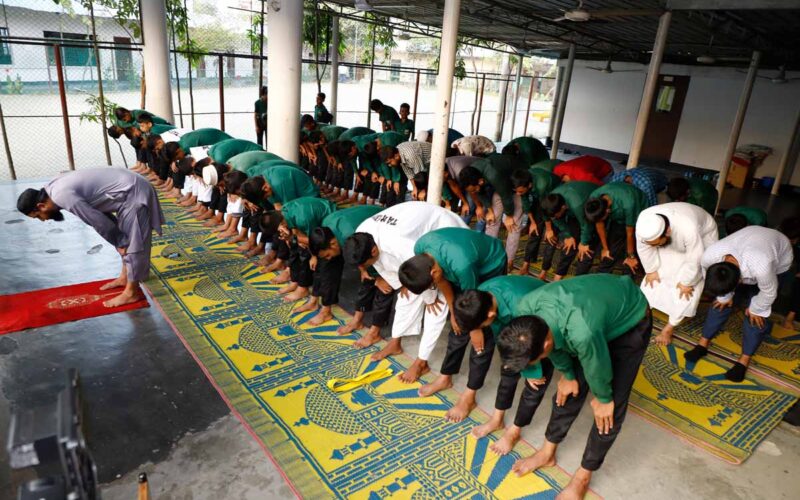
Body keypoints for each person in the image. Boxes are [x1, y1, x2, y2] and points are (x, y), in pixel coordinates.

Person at [497, 274, 651, 499]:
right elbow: (555, 347)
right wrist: (568, 374)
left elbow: (596, 364)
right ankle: (547, 453)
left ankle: (583, 476)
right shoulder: (525, 311)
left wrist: (604, 398)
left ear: (545, 344)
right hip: (591, 314)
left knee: (609, 411)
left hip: (630, 319)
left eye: (533, 360)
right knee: (568, 389)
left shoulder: (582, 331)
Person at [343, 202, 467, 382]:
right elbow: (381, 264)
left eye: (364, 264)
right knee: (405, 297)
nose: (363, 269)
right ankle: (395, 343)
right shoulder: (363, 233)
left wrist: (430, 297)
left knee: (437, 306)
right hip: (415, 240)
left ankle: (421, 361)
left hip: (444, 234)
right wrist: (402, 285)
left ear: (374, 249)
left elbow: (425, 270)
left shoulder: (400, 245)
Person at [17, 168, 164, 307]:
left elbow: (96, 220)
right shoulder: (51, 188)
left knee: (133, 243)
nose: (43, 220)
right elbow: (98, 210)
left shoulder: (62, 196)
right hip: (127, 187)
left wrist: (121, 242)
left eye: (38, 216)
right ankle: (125, 277)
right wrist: (119, 239)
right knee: (122, 237)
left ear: (41, 206)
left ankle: (132, 292)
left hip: (133, 191)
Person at [397, 227, 507, 387]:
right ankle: (445, 377)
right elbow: (441, 281)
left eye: (431, 285)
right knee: (458, 326)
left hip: (491, 263)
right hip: (460, 265)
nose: (433, 286)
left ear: (433, 272)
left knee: (484, 329)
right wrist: (454, 312)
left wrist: (475, 329)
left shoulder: (462, 266)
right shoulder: (421, 248)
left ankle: (471, 390)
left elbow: (473, 304)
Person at [451, 277, 550, 452]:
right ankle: (497, 420)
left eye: (481, 325)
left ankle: (514, 431)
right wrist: (476, 330)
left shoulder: (521, 307)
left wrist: (530, 372)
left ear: (490, 315)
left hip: (543, 328)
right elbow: (502, 334)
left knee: (536, 382)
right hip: (520, 323)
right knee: (508, 368)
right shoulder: (481, 294)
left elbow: (535, 341)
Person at [685, 226, 793, 381]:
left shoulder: (762, 266)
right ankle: (702, 344)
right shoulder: (709, 257)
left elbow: (769, 292)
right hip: (750, 242)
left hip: (778, 256)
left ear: (739, 281)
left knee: (756, 316)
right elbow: (714, 281)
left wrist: (757, 308)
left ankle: (744, 360)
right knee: (719, 304)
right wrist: (724, 297)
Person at [635, 203, 719, 345]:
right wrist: (651, 270)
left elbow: (696, 259)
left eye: (656, 244)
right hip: (674, 233)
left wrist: (686, 282)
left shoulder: (688, 228)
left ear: (667, 232)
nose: (654, 247)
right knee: (658, 275)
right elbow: (644, 248)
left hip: (703, 234)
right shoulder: (644, 222)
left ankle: (668, 329)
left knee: (686, 290)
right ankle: (643, 310)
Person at [306, 205, 384, 327]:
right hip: (356, 226)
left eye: (327, 254)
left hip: (381, 222)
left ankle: (358, 320)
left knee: (370, 276)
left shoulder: (350, 235)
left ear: (333, 244)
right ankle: (325, 309)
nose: (328, 257)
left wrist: (367, 270)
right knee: (327, 264)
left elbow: (368, 256)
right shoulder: (326, 228)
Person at [458, 152, 527, 270]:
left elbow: (506, 196)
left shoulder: (493, 175)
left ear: (480, 182)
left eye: (474, 189)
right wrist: (489, 210)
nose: (473, 193)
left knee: (513, 224)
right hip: (502, 183)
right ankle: (489, 255)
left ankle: (508, 261)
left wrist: (509, 216)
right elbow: (480, 192)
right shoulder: (472, 173)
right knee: (492, 219)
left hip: (518, 181)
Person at [533, 181, 597, 280]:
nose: (554, 218)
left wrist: (584, 242)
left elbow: (586, 225)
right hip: (575, 209)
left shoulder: (577, 205)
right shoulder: (550, 202)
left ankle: (578, 282)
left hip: (593, 208)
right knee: (569, 244)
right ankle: (557, 277)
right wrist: (568, 235)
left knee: (586, 250)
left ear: (563, 207)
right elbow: (556, 220)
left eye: (555, 215)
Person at [584, 181, 648, 275]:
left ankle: (630, 274)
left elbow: (630, 232)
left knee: (634, 244)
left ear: (608, 211)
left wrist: (631, 256)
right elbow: (599, 224)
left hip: (638, 208)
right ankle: (602, 275)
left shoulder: (628, 204)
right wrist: (605, 248)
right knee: (613, 243)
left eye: (602, 219)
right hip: (619, 211)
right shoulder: (594, 199)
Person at [512, 167, 561, 277]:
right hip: (541, 199)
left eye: (520, 191)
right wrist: (533, 223)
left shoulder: (542, 186)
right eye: (516, 191)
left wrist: (549, 229)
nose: (518, 194)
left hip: (554, 201)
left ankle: (544, 271)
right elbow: (526, 203)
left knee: (551, 238)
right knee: (534, 232)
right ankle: (526, 265)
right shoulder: (523, 184)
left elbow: (545, 210)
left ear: (529, 186)